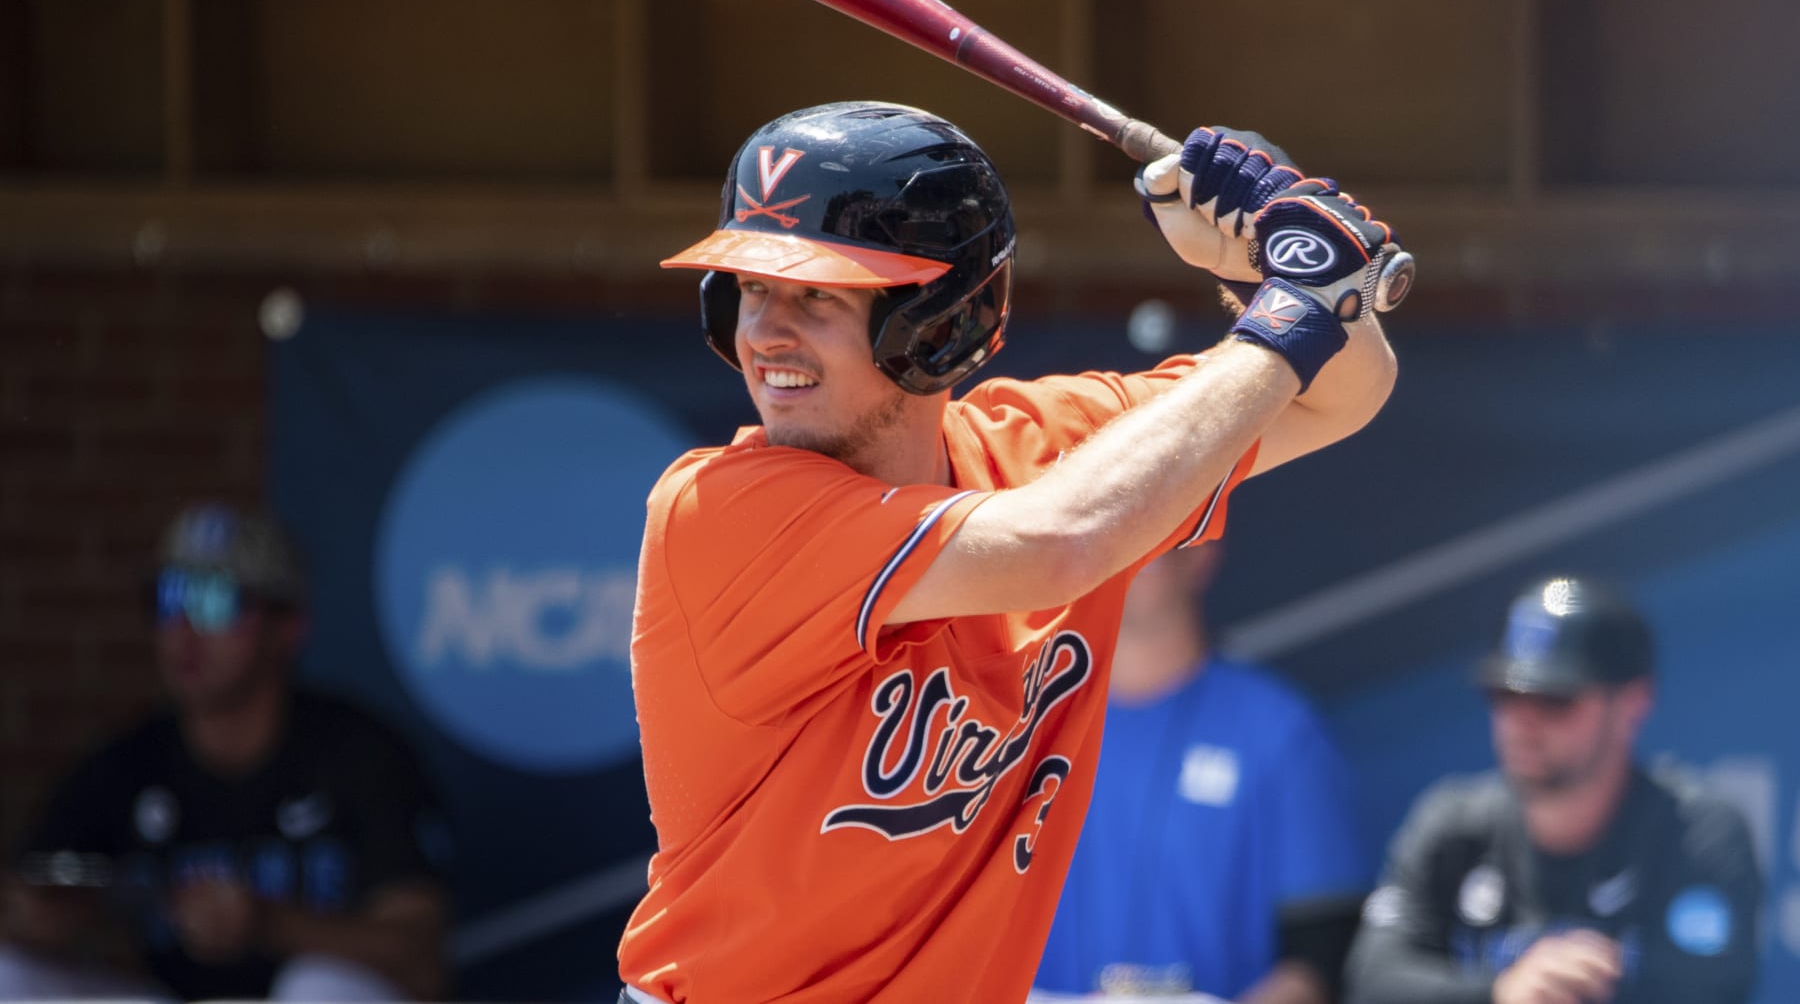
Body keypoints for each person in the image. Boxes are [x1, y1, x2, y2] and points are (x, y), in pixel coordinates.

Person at [619, 100, 1407, 1003]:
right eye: (751, 289)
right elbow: (1063, 539)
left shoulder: (1038, 447)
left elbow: (1339, 395)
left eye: (817, 296)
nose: (764, 332)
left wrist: (1264, 264)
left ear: (939, 318)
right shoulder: (719, 511)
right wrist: (1295, 305)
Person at [0, 501, 454, 1002]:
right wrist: (44, 916)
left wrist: (268, 923)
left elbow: (421, 956)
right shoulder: (126, 761)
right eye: (168, 599)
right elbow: (27, 893)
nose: (184, 630)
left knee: (319, 986)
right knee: (7, 972)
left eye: (216, 601)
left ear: (288, 627)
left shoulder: (357, 752)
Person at [1343, 575, 1763, 1004]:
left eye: (1555, 699)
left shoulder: (1693, 832)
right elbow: (1373, 980)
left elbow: (1712, 987)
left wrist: (1560, 986)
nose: (1522, 722)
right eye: (1506, 694)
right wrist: (1500, 992)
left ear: (1632, 703)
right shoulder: (1451, 826)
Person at [1033, 543, 1370, 1002]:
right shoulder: (1015, 734)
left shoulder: (1280, 729)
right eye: (1110, 535)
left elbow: (1321, 955)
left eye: (1155, 535)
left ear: (1202, 553)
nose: (1131, 552)